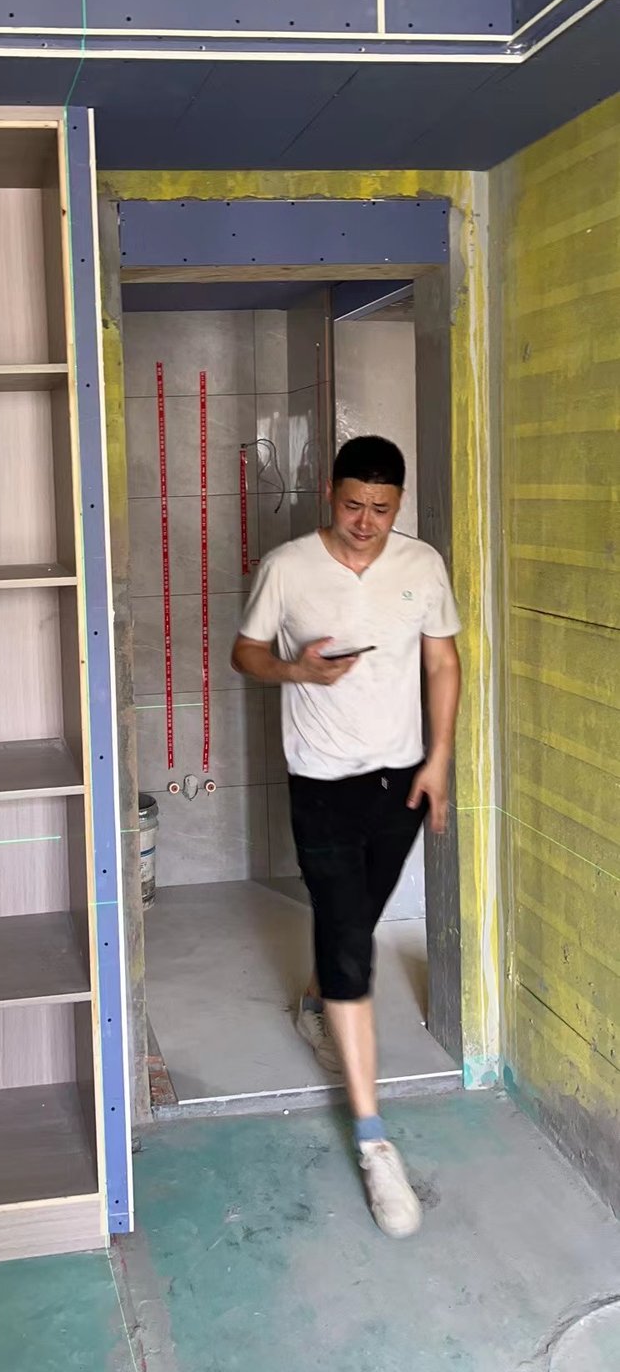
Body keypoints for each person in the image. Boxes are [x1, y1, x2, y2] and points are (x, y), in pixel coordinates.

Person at [231, 434, 461, 1239]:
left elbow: (443, 664)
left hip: (401, 783)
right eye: (354, 505)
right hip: (321, 785)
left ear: (399, 505)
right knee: (348, 944)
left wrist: (438, 760)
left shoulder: (422, 565)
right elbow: (246, 653)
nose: (366, 522)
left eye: (382, 509)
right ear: (330, 494)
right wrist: (297, 670)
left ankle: (315, 1002)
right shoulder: (288, 567)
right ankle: (374, 1141)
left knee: (354, 924)